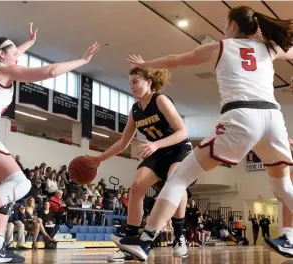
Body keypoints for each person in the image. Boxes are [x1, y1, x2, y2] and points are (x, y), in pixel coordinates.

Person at [111, 6, 293, 261]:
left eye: (225, 22)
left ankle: (145, 239)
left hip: (241, 116)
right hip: (273, 119)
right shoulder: (270, 47)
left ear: (233, 26)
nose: (223, 27)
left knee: (180, 177)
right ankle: (289, 237)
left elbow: (175, 60)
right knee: (283, 187)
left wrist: (146, 64)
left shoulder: (220, 47)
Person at [0, 21, 99, 263]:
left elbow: (11, 52)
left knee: (2, 189)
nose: (18, 57)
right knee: (21, 184)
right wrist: (82, 61)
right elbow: (49, 72)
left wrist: (29, 42)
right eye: (15, 53)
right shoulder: (3, 69)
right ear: (2, 54)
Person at [89, 66, 193, 261]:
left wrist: (155, 144)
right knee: (136, 188)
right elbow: (122, 143)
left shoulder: (160, 100)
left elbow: (183, 132)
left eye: (136, 81)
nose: (132, 86)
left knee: (175, 181)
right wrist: (99, 159)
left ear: (149, 82)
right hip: (159, 151)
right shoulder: (135, 111)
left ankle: (180, 236)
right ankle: (130, 242)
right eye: (130, 83)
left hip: (179, 149)